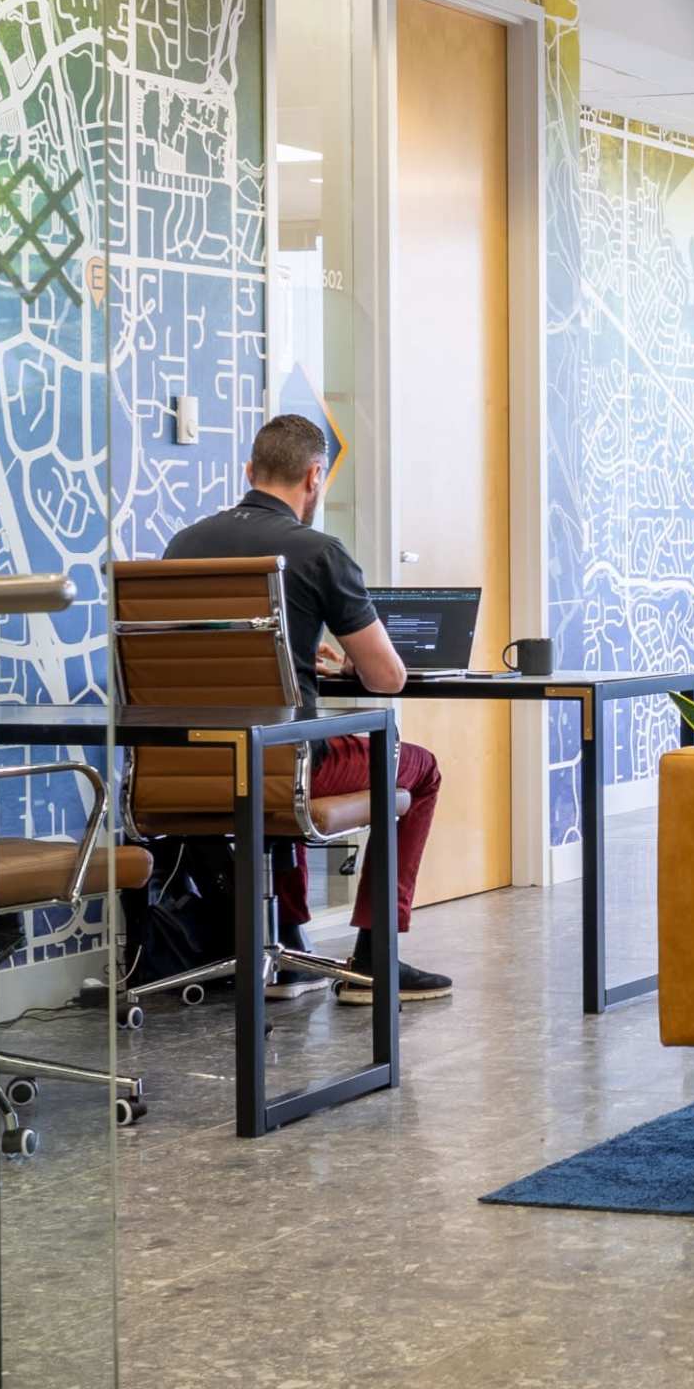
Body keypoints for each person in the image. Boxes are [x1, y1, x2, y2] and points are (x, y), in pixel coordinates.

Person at [159, 414, 451, 1002]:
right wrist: (346, 667)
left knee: (276, 761)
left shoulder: (182, 546)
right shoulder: (318, 552)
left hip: (189, 769)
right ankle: (375, 955)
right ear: (315, 476)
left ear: (250, 472)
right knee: (418, 767)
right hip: (280, 767)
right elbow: (387, 677)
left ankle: (287, 945)